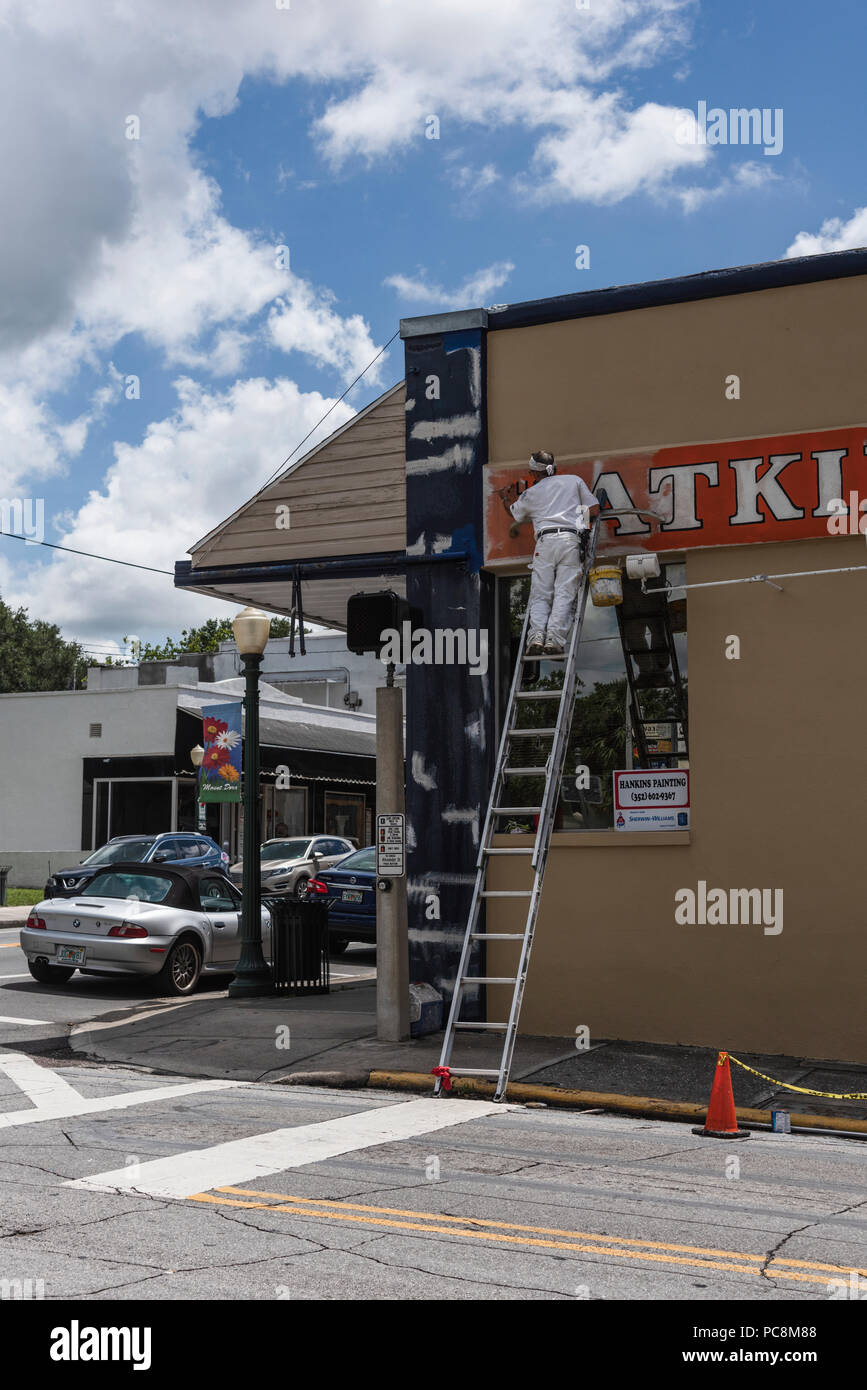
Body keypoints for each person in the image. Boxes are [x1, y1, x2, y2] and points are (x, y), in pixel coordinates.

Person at [509, 450, 599, 656]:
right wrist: (582, 525)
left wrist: (506, 500)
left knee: (541, 594)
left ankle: (536, 637)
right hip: (570, 541)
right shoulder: (573, 481)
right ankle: (554, 640)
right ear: (554, 468)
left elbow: (515, 513)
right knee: (565, 592)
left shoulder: (531, 493)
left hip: (545, 543)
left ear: (533, 473)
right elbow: (593, 510)